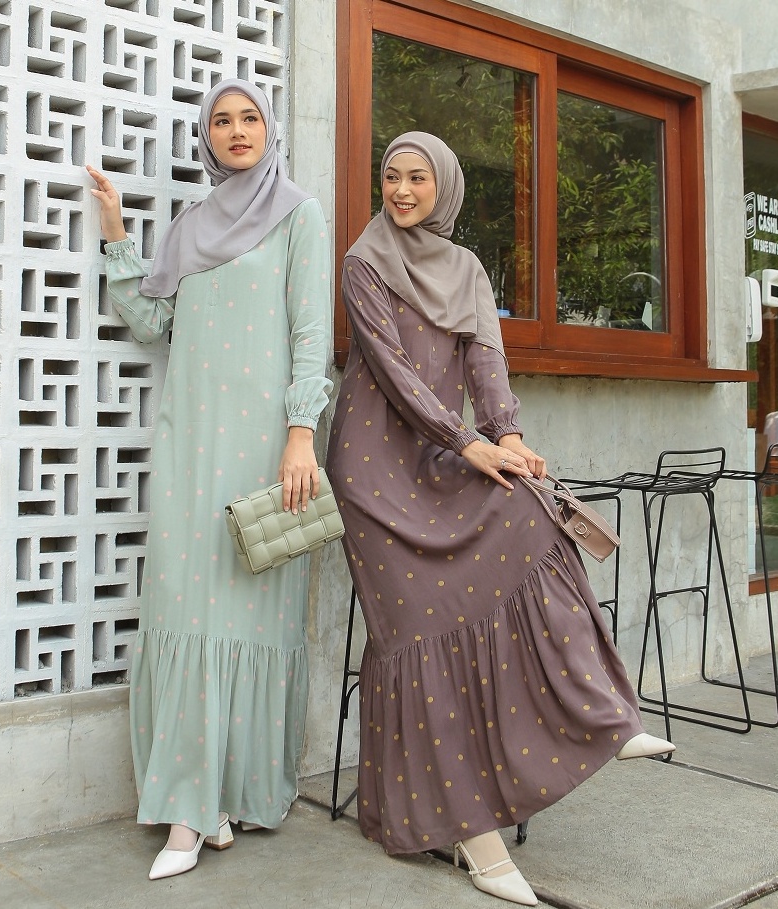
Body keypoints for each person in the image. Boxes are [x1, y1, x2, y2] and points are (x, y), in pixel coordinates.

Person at [326, 131, 673, 907]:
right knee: (420, 634)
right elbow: (391, 369)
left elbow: (485, 359)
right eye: (391, 176)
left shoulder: (467, 268)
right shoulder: (363, 259)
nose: (401, 190)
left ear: (443, 187)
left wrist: (506, 434)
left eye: (417, 178)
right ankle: (476, 843)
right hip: (375, 467)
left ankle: (603, 716)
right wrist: (467, 441)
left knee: (534, 511)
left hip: (447, 449)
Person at [86, 78, 333, 881]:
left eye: (248, 117)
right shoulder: (189, 225)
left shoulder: (299, 214)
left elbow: (311, 332)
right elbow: (155, 322)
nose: (235, 130)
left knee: (252, 617)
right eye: (221, 121)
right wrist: (117, 234)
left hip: (268, 450)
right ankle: (191, 807)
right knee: (184, 610)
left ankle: (228, 795)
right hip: (190, 446)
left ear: (269, 128)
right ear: (206, 137)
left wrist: (301, 433)